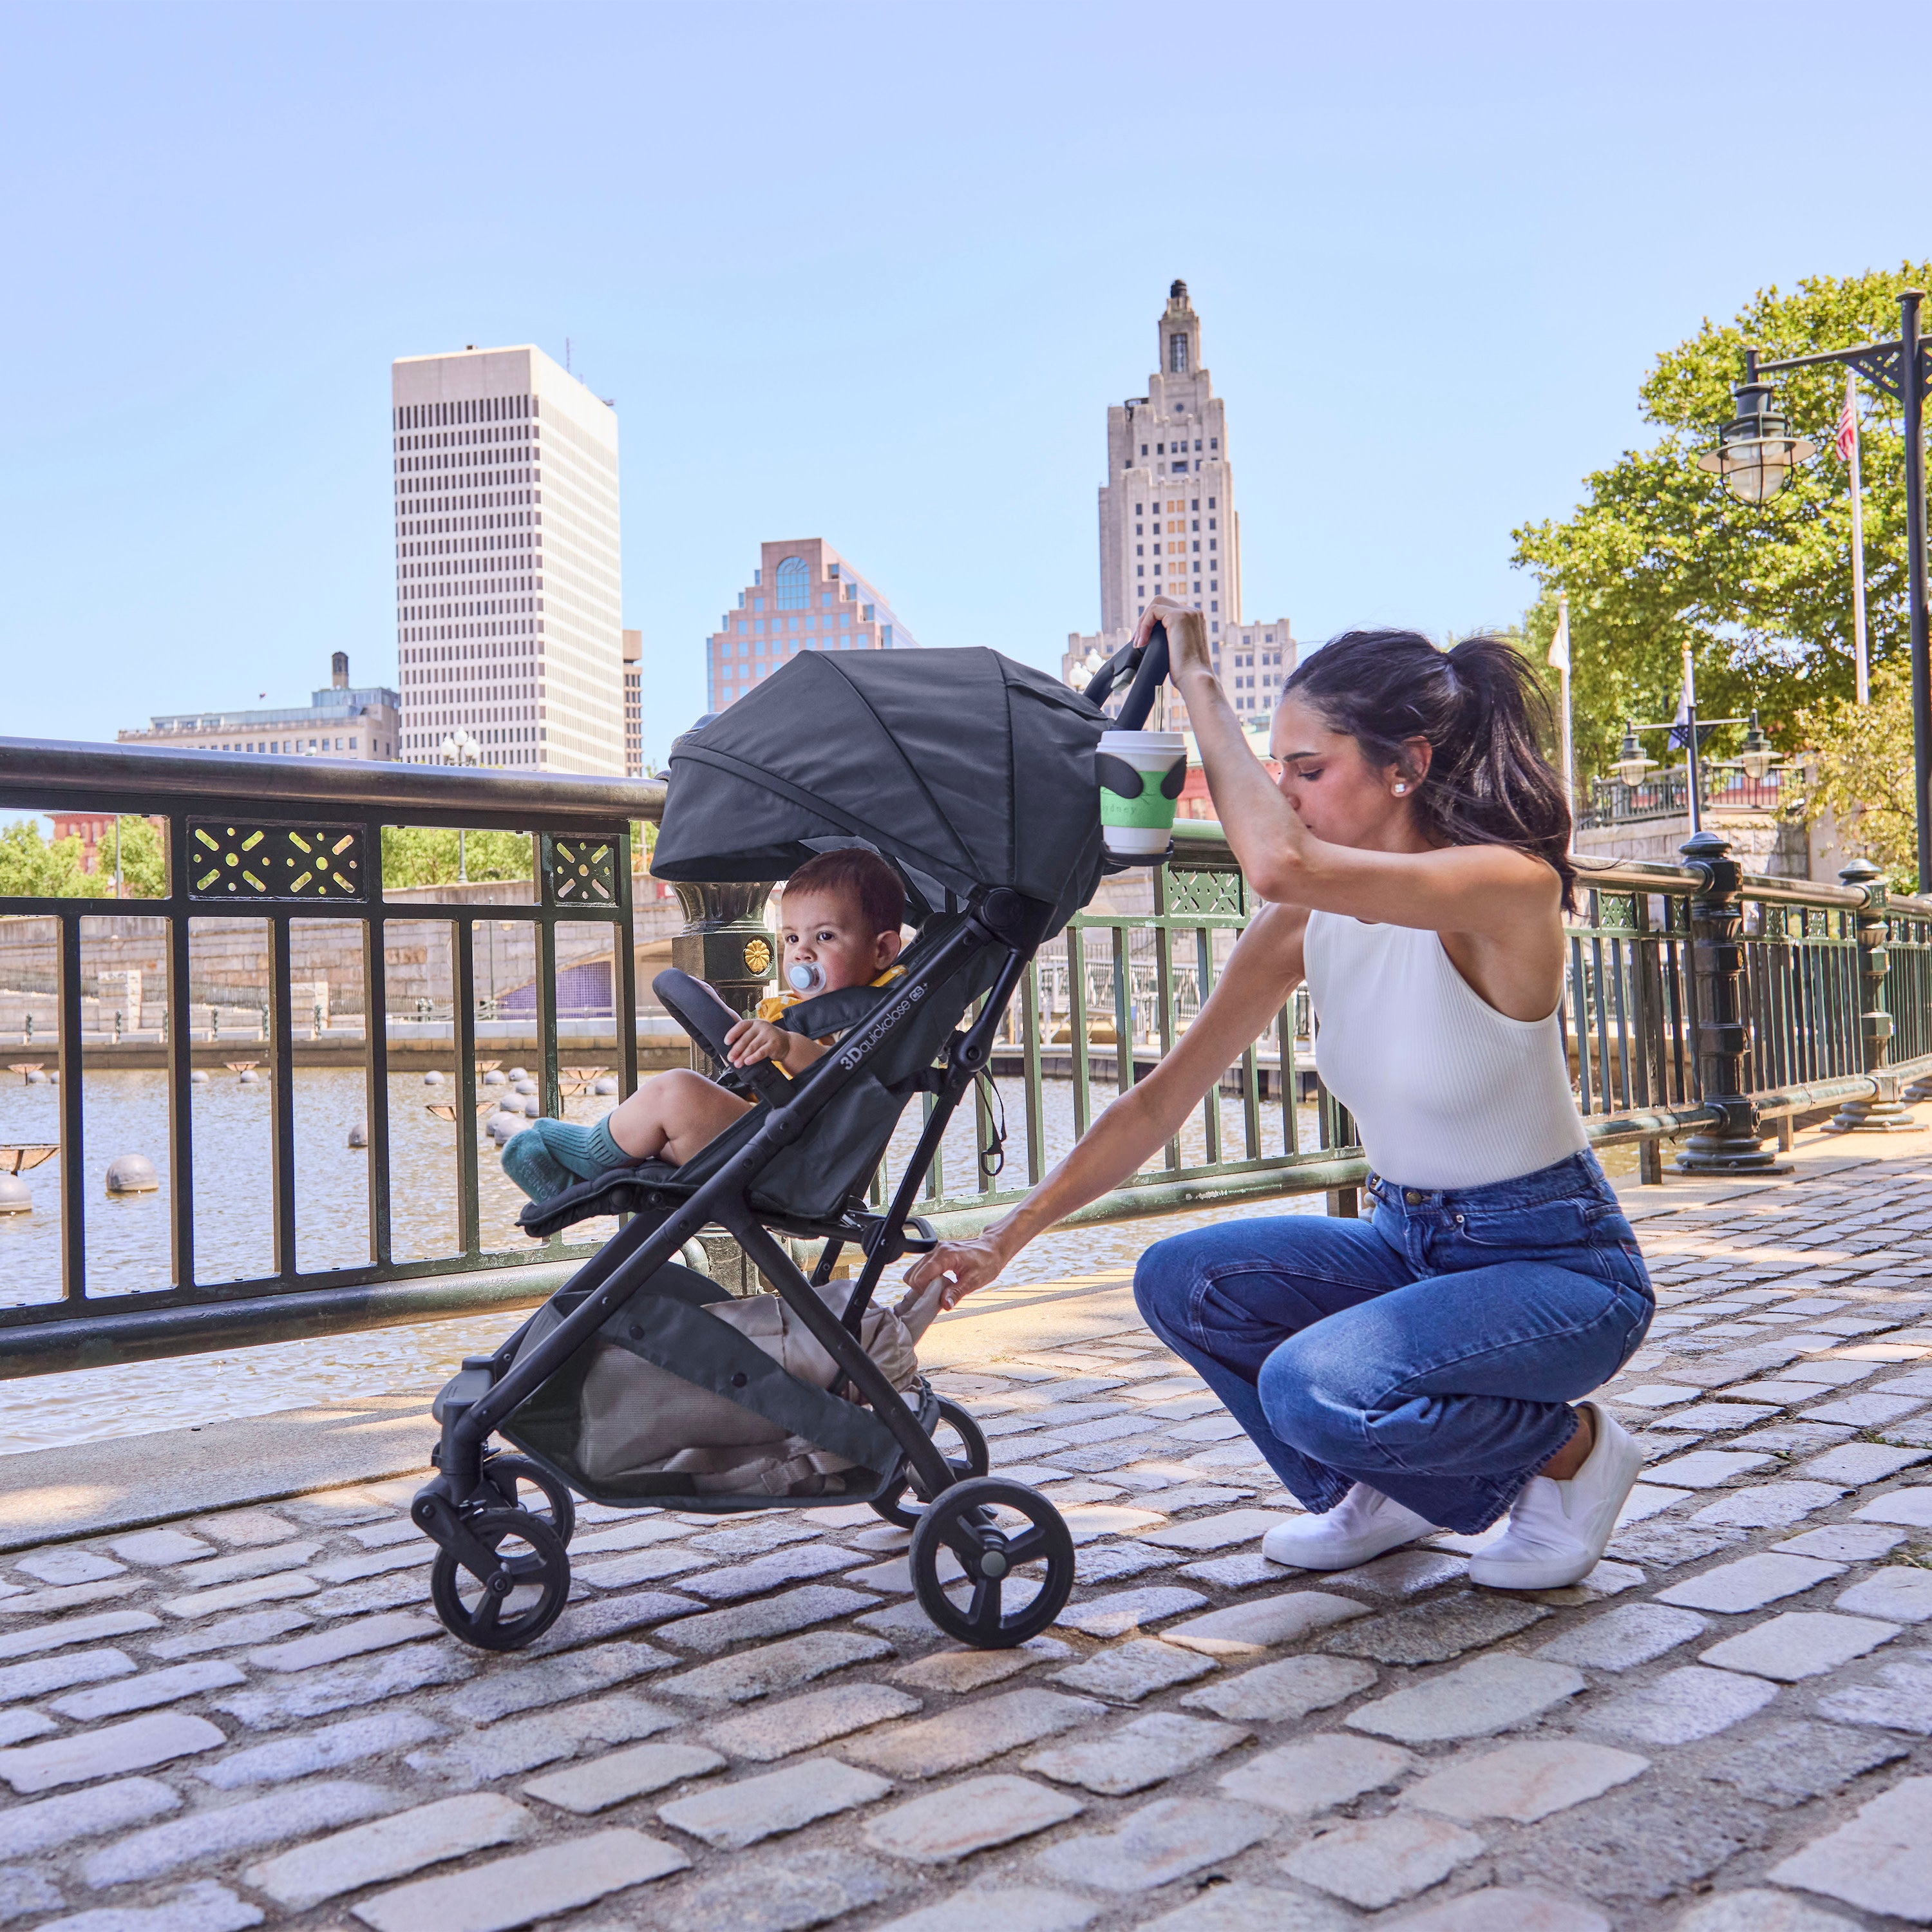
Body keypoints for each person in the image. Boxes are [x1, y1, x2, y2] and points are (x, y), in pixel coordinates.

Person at [905, 598, 1652, 1591]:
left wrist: (1199, 679)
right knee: (1182, 1280)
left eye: (1307, 769)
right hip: (1407, 1243)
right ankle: (1378, 1487)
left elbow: (1276, 861)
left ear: (1406, 766)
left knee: (1311, 1385)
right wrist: (1007, 1236)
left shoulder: (1504, 888)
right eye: (1277, 770)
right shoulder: (1304, 925)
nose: (1284, 794)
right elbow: (1158, 1102)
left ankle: (1573, 1455)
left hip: (1558, 1267)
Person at [502, 848, 906, 1200]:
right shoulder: (806, 1009)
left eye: (825, 937)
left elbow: (851, 1082)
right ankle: (577, 1178)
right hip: (765, 1140)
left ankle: (593, 1153)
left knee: (677, 1091)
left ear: (882, 950)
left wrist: (785, 1046)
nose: (802, 953)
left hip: (793, 1161)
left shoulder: (876, 1014)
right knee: (666, 1125)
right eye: (791, 938)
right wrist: (734, 1027)